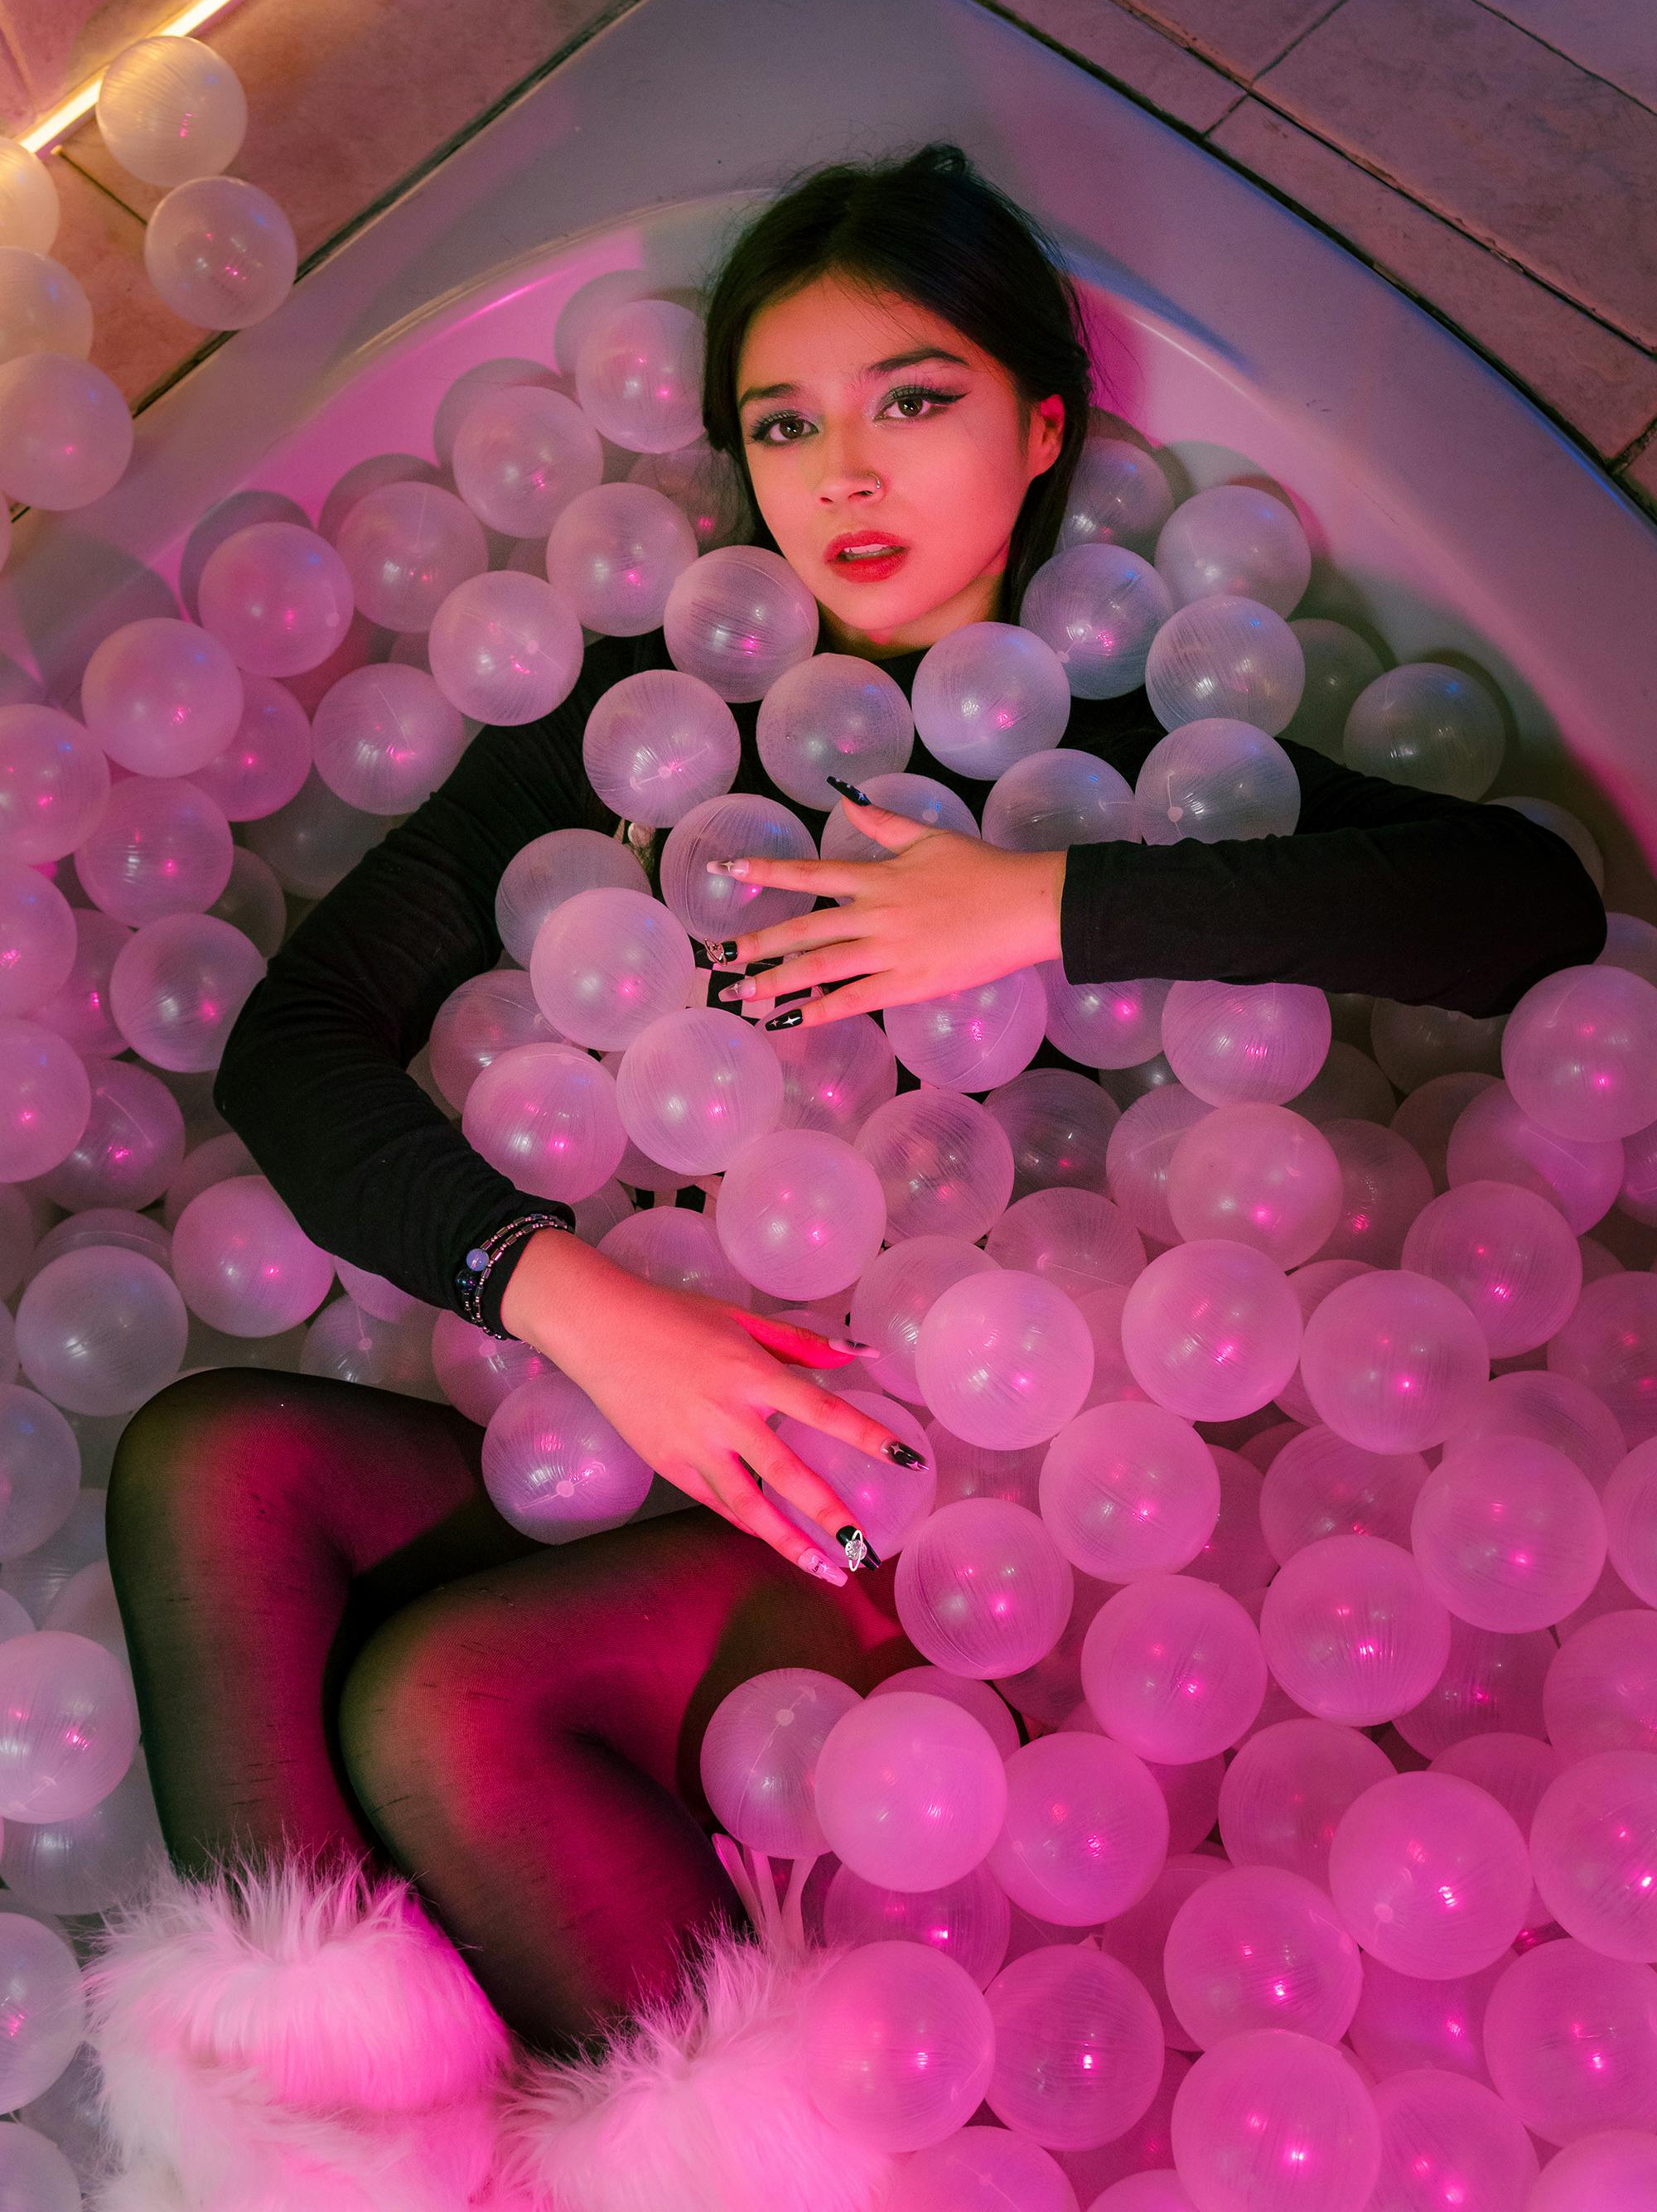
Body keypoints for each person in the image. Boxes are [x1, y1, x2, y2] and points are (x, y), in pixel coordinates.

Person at [94, 140, 1606, 2205]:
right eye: (784, 425)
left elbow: (1517, 905)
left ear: (1041, 426)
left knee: (450, 1706)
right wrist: (593, 1319)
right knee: (208, 1461)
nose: (848, 475)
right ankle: (314, 2166)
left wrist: (1042, 907)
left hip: (979, 1510)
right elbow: (293, 1039)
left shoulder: (1127, 729)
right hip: (666, 1421)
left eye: (915, 400)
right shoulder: (633, 735)